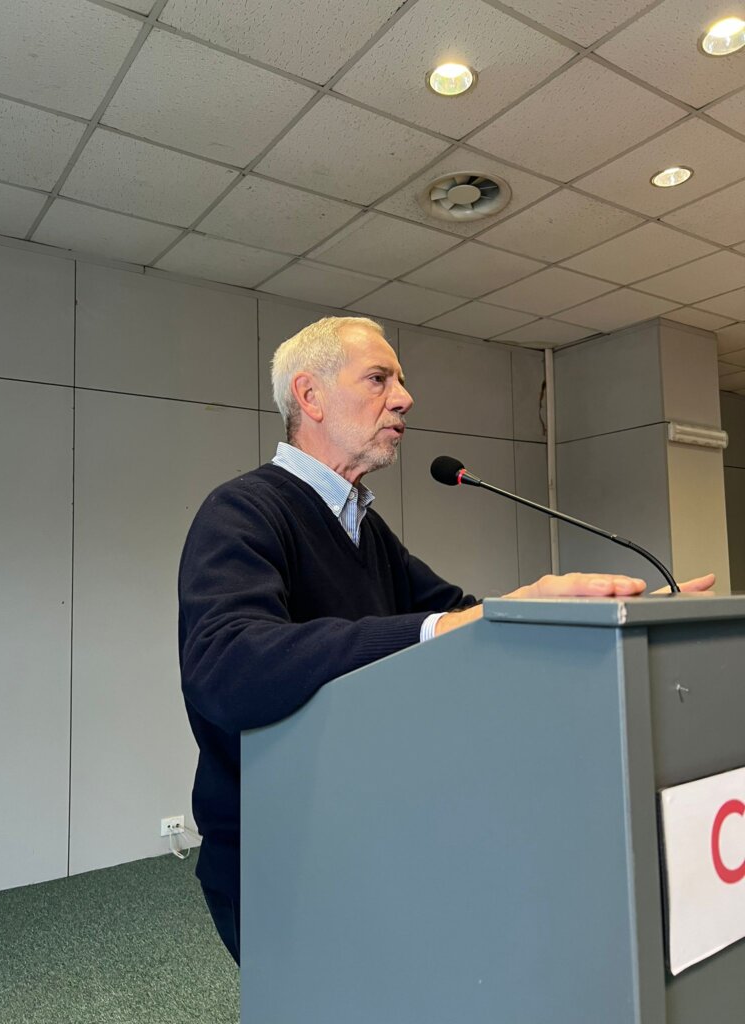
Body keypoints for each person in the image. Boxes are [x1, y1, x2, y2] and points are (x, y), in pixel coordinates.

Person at [177, 315, 714, 964]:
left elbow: (461, 616)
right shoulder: (244, 510)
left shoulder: (366, 529)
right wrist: (445, 627)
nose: (405, 398)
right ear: (310, 396)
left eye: (400, 381)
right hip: (275, 849)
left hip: (365, 831)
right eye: (379, 379)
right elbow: (227, 666)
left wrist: (600, 614)